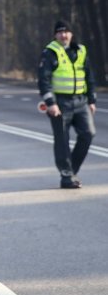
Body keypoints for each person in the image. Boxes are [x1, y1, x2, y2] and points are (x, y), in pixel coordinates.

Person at [37, 20, 97, 189]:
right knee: (62, 140)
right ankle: (66, 176)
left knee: (88, 133)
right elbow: (44, 80)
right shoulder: (50, 53)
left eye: (66, 31)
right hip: (60, 103)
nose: (64, 35)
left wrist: (91, 100)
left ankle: (71, 171)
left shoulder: (81, 51)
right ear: (55, 35)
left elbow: (89, 76)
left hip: (80, 101)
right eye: (60, 32)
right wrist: (50, 102)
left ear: (71, 34)